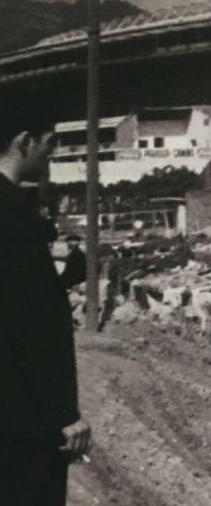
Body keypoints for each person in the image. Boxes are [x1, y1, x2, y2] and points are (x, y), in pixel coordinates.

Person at [0, 112, 91, 506]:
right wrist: (64, 412)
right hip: (21, 418)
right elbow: (31, 324)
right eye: (49, 142)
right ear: (24, 141)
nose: (52, 152)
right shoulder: (14, 215)